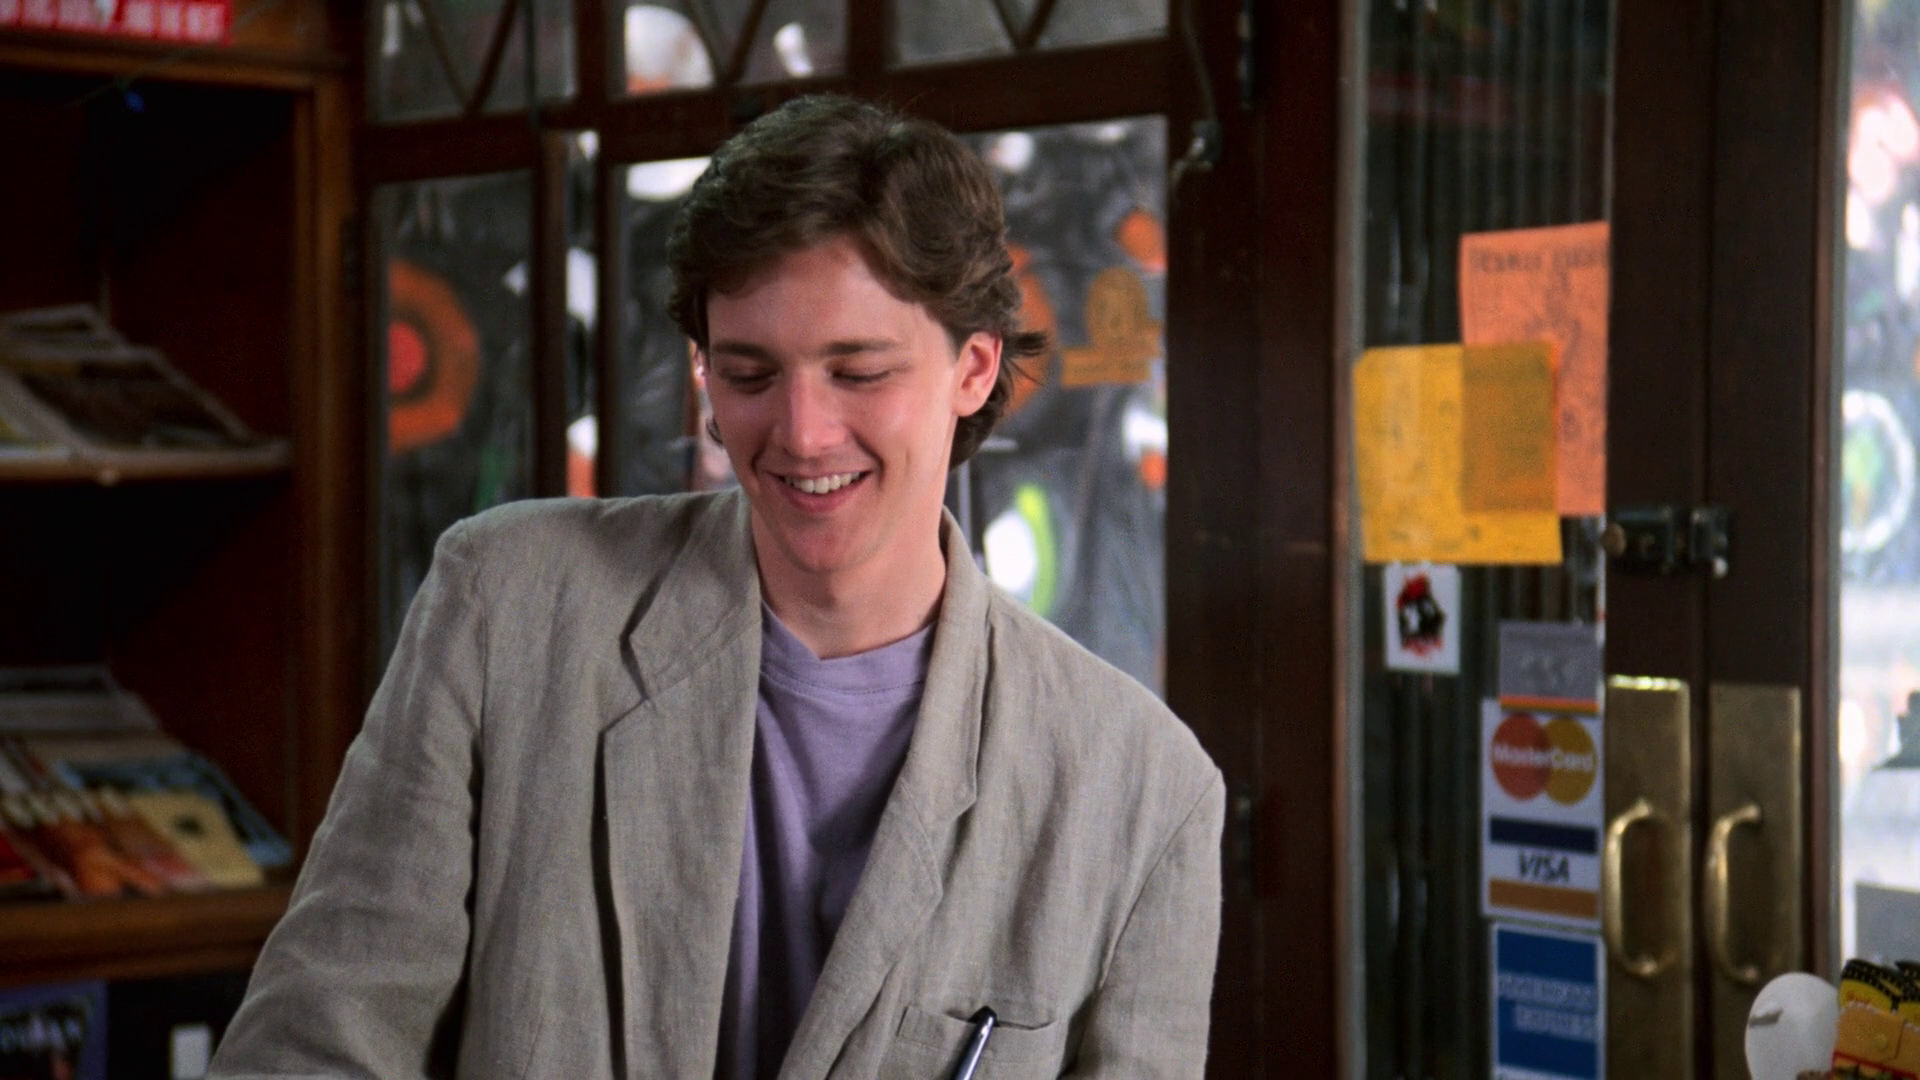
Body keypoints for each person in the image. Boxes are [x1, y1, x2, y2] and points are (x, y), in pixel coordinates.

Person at [211, 94, 1224, 1079]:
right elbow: (312, 1048)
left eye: (858, 372)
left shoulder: (1144, 790)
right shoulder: (505, 607)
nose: (802, 434)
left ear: (974, 369)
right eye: (748, 374)